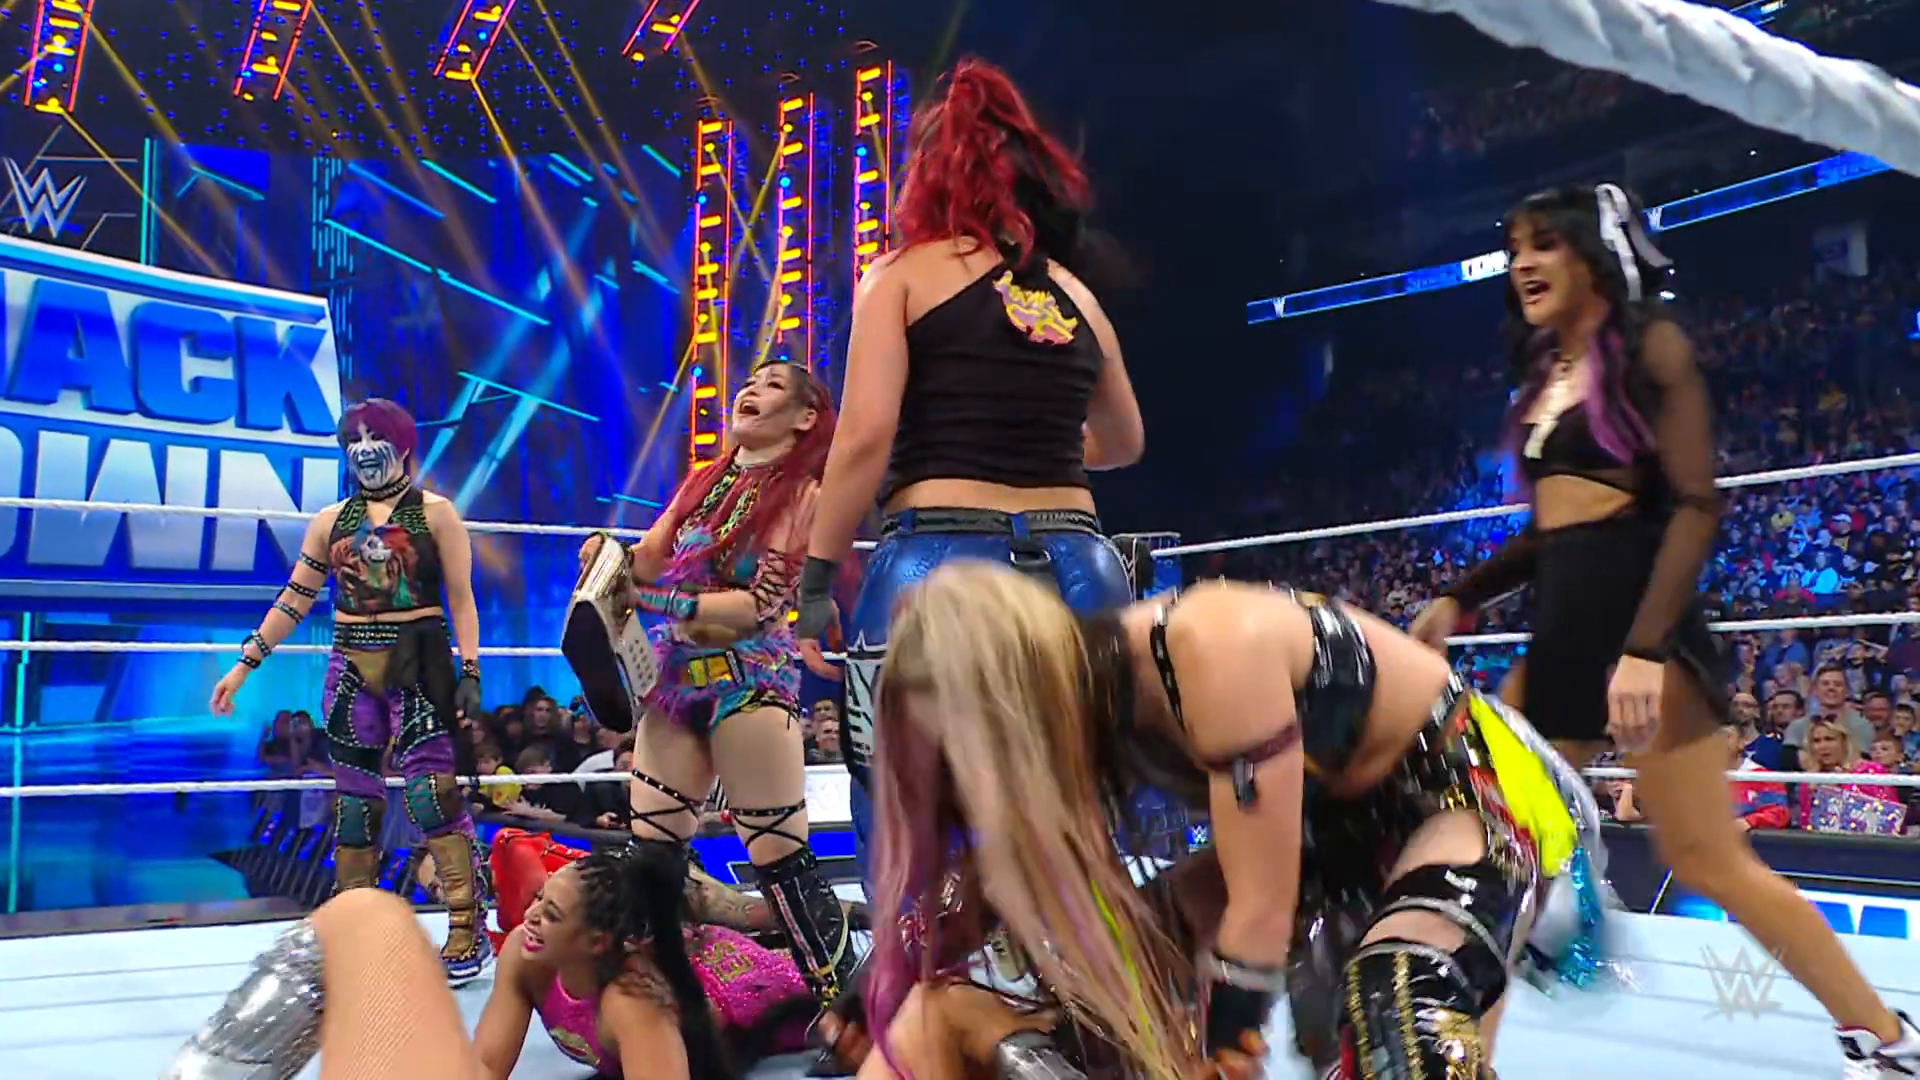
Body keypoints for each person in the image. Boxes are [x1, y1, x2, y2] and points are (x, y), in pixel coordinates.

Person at [1407, 183, 1920, 1073]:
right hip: (1562, 634)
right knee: (1495, 848)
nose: (1523, 263)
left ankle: (1885, 1038)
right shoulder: (1550, 372)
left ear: (1593, 254)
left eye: (1545, 245)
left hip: (1645, 633)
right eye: (1515, 247)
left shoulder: (1651, 347)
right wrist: (1461, 596)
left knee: (1708, 859)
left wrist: (1645, 650)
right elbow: (1555, 529)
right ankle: (1456, 1057)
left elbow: (1693, 505)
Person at [862, 561, 1603, 1080]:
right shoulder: (1070, 719)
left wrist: (1220, 1048)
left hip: (1458, 797)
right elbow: (977, 885)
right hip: (1316, 836)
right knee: (979, 1011)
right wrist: (880, 981)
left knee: (1400, 1000)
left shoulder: (1205, 646)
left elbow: (1259, 908)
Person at [788, 55, 1146, 884]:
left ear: (930, 177)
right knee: (1080, 816)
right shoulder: (1075, 296)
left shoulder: (902, 275)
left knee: (906, 812)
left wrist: (816, 580)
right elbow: (1125, 441)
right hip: (1081, 565)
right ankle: (1086, 963)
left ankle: (920, 965)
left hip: (939, 562)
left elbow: (865, 437)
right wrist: (1038, 444)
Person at [572, 362, 859, 1028]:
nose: (750, 390)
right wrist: (607, 558)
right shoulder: (704, 480)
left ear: (807, 417)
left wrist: (652, 599)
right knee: (653, 855)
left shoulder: (807, 495)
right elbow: (649, 556)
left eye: (772, 386)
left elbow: (754, 608)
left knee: (779, 858)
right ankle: (663, 1006)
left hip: (748, 681)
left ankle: (845, 1011)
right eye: (749, 382)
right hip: (677, 682)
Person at [208, 397, 490, 983]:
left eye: (373, 437)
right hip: (351, 661)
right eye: (353, 440)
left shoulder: (436, 515)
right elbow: (295, 598)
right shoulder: (330, 521)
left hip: (419, 658)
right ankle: (356, 930)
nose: (362, 450)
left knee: (430, 794)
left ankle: (468, 925)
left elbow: (462, 599)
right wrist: (244, 665)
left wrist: (470, 671)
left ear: (403, 446)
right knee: (355, 800)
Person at [162, 847, 808, 1080]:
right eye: (539, 901)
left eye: (552, 914)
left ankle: (821, 928)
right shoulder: (526, 957)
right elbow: (486, 1069)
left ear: (596, 942)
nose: (531, 918)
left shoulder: (633, 1002)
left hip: (758, 994)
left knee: (794, 972)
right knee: (361, 915)